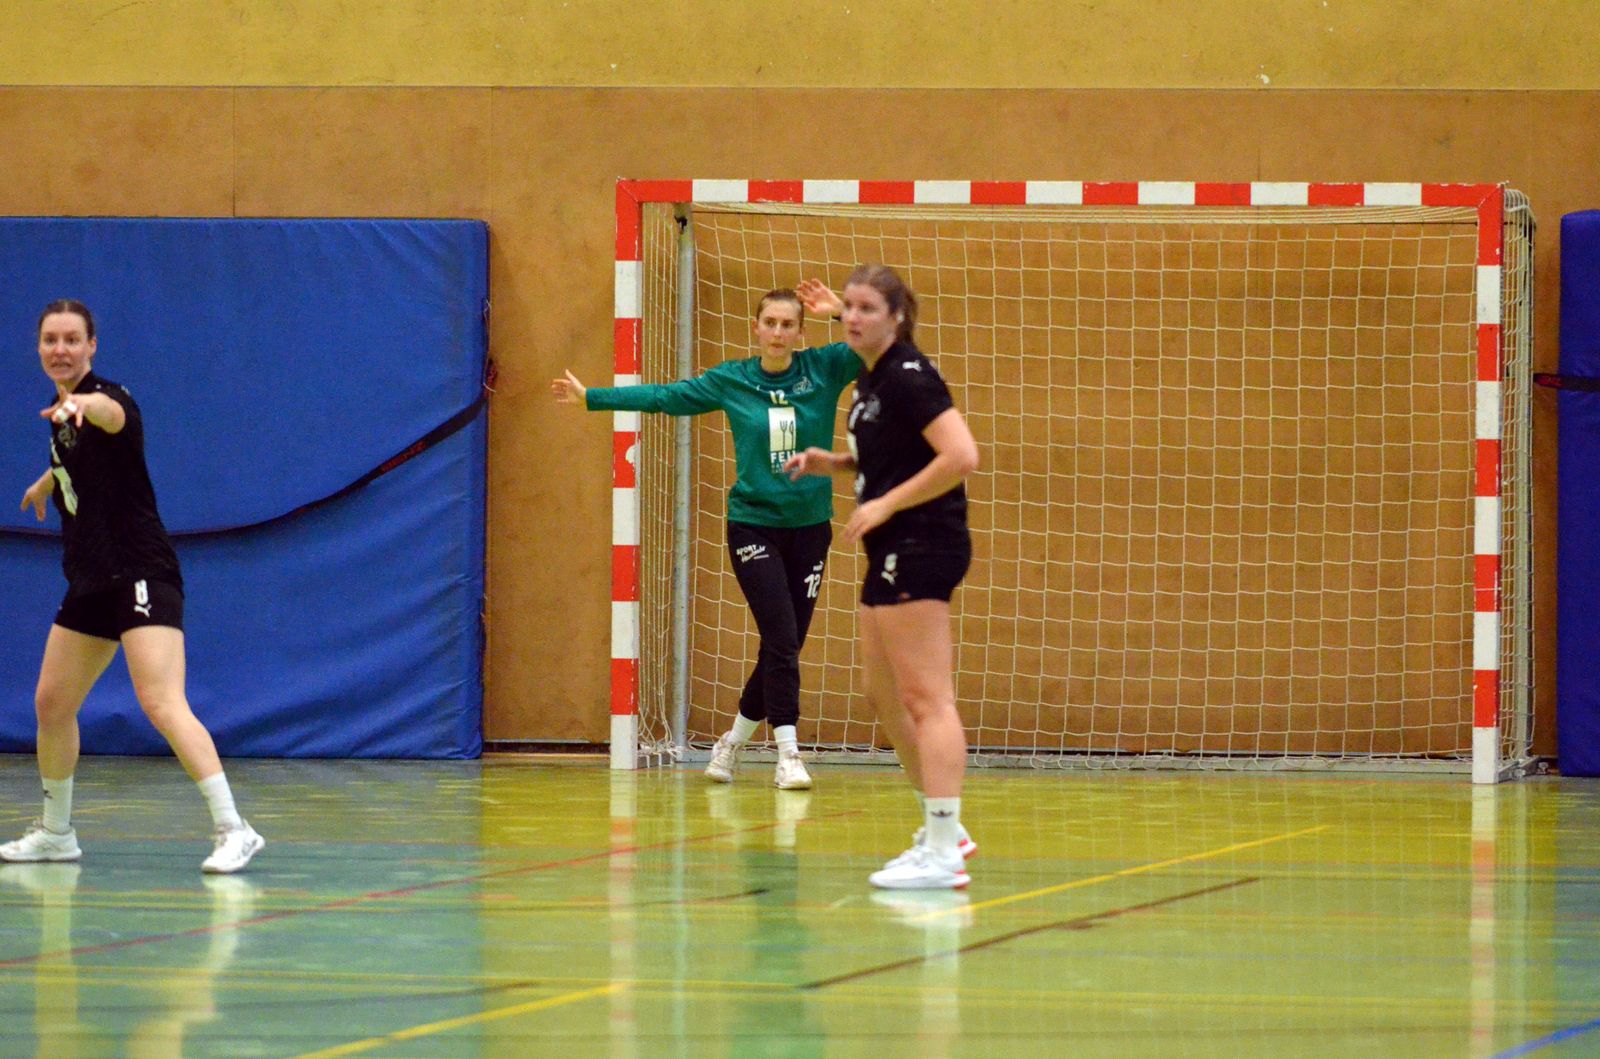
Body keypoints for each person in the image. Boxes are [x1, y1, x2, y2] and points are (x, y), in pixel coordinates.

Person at [553, 286, 860, 790]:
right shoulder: (732, 379)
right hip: (753, 526)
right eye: (770, 323)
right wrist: (592, 398)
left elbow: (887, 341)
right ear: (756, 328)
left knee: (783, 646)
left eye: (788, 324)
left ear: (801, 331)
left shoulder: (824, 368)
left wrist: (842, 311)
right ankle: (788, 754)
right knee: (782, 639)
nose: (778, 332)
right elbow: (666, 397)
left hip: (809, 529)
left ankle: (731, 743)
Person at [2, 300, 264, 874]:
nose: (61, 349)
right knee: (51, 703)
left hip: (141, 571)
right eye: (50, 340)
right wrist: (47, 482)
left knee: (161, 701)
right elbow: (81, 460)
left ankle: (235, 828)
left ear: (92, 346)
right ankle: (56, 833)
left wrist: (84, 404)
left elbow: (109, 416)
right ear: (39, 347)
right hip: (92, 580)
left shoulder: (106, 399)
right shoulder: (61, 417)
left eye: (72, 339)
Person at [785, 265, 980, 890]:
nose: (852, 316)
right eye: (848, 306)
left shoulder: (908, 376)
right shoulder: (871, 379)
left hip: (923, 541)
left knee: (927, 699)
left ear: (897, 316)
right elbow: (893, 454)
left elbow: (961, 455)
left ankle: (945, 850)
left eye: (867, 307)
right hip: (889, 545)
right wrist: (836, 463)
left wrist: (886, 504)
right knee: (882, 692)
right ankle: (943, 829)